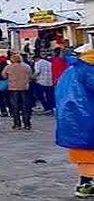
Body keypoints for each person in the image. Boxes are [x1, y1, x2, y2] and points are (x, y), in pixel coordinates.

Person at [55, 44, 94, 198]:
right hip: (88, 116)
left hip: (72, 118)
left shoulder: (70, 70)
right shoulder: (88, 70)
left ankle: (85, 184)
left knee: (84, 154)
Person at [2, 54, 33, 130]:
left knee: (15, 106)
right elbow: (30, 76)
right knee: (25, 106)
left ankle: (17, 123)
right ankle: (27, 123)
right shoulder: (26, 66)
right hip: (24, 88)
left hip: (13, 88)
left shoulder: (8, 67)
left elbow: (4, 76)